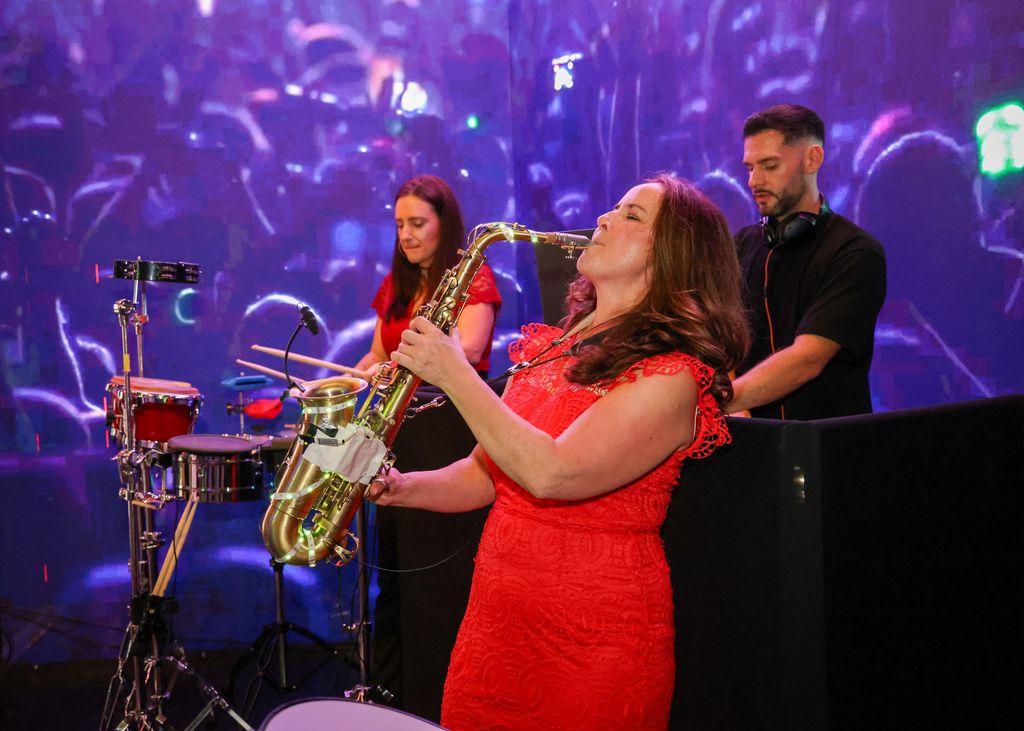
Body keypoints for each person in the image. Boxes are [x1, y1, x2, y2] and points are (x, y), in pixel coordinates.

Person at [368, 174, 749, 730]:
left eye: (631, 216)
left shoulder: (673, 374)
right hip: (496, 627)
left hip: (593, 642)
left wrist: (453, 373)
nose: (603, 219)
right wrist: (399, 488)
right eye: (612, 207)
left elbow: (553, 473)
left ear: (675, 255)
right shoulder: (554, 345)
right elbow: (487, 474)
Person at [729, 104, 886, 419]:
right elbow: (720, 336)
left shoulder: (854, 252)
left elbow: (808, 357)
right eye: (749, 168)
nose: (753, 181)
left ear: (813, 159)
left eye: (769, 166)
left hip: (828, 449)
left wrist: (729, 400)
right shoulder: (741, 245)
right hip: (749, 447)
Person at [354, 174, 501, 378]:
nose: (405, 235)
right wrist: (348, 381)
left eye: (417, 224)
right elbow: (377, 354)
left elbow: (470, 351)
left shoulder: (473, 278)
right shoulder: (392, 283)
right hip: (398, 409)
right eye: (400, 225)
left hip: (451, 405)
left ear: (444, 225)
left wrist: (393, 367)